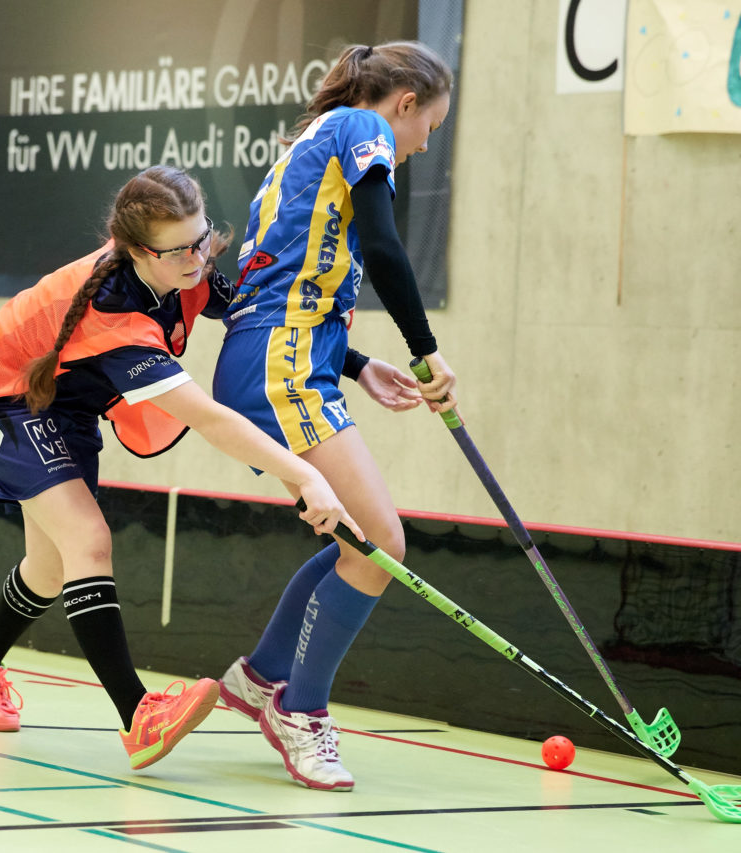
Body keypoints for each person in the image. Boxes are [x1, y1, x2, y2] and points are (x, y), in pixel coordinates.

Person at [0, 165, 361, 773]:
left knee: (51, 565)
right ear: (137, 251)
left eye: (204, 239)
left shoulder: (183, 267)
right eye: (180, 250)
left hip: (71, 402)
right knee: (88, 542)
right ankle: (139, 716)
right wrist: (306, 475)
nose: (198, 259)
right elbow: (209, 418)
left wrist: (357, 363)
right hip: (2, 396)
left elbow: (258, 321)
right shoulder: (116, 317)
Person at [211, 41, 457, 791]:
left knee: (359, 535)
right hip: (284, 361)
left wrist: (357, 362)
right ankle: (301, 709)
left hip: (290, 355)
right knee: (381, 541)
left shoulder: (310, 144)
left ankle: (260, 679)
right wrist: (426, 353)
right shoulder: (363, 130)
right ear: (406, 103)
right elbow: (383, 246)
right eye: (430, 126)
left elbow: (278, 283)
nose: (422, 145)